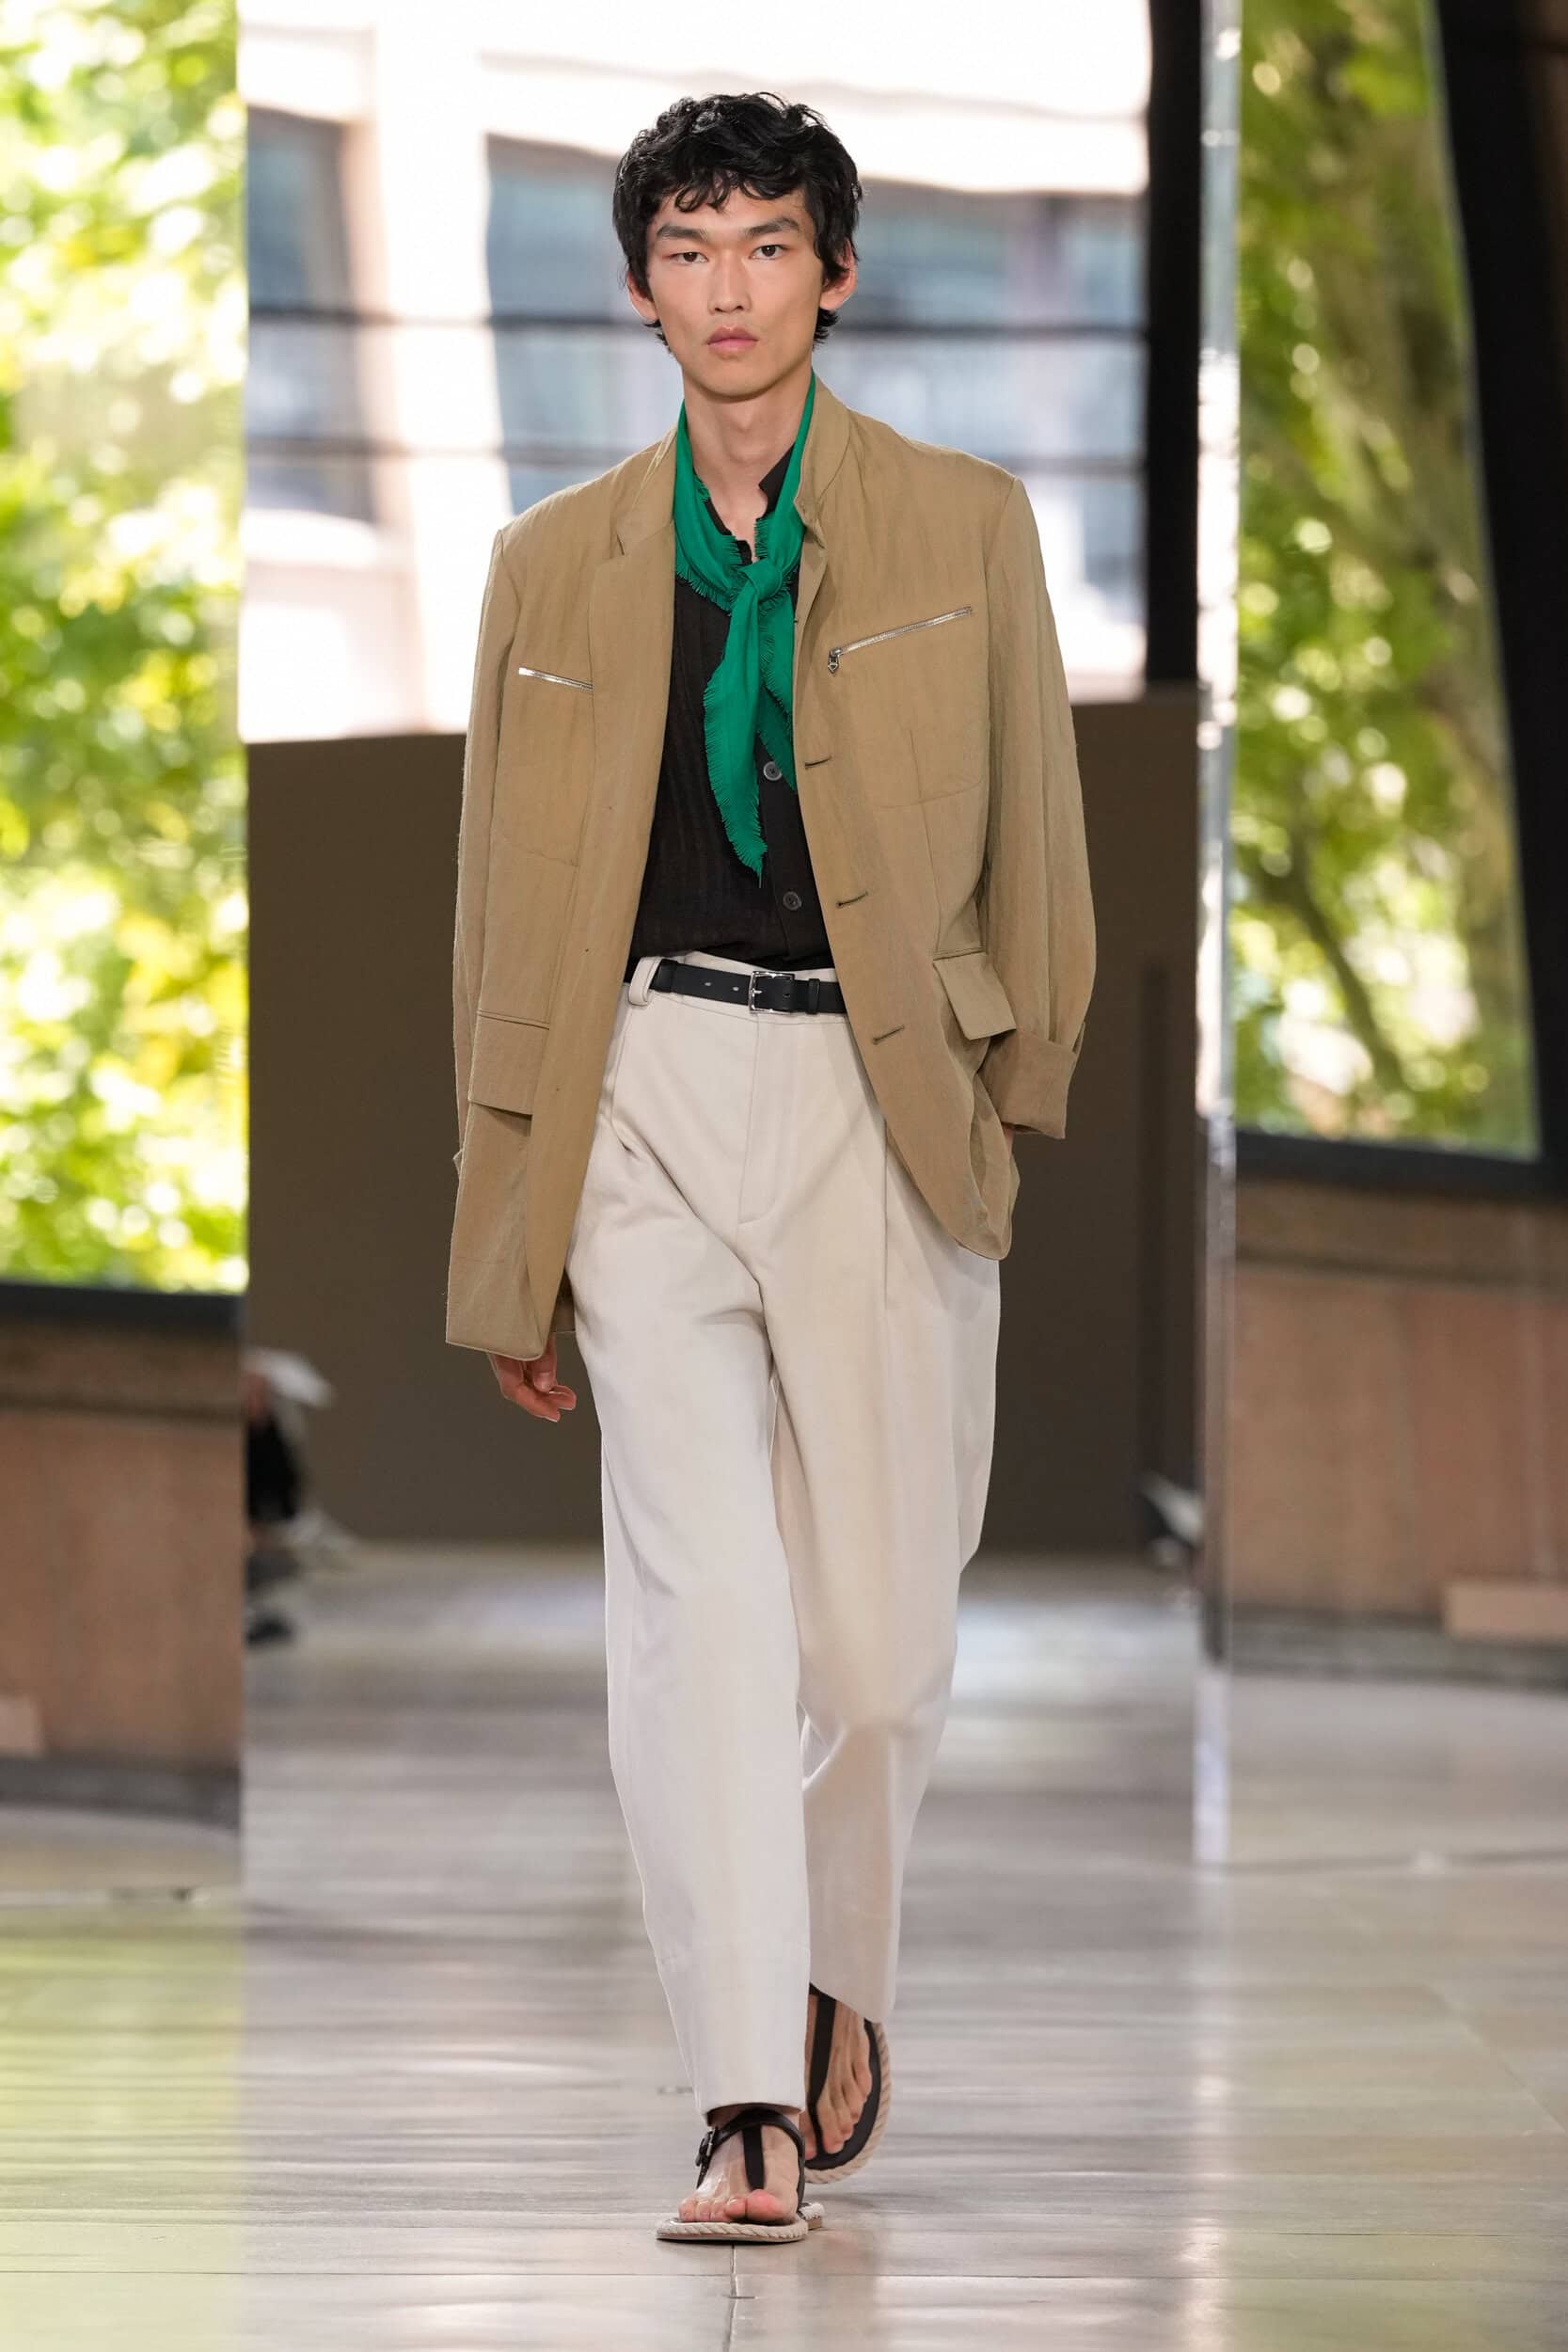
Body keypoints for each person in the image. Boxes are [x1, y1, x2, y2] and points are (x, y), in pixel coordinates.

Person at [446, 89, 1095, 2244]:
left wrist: (1013, 1094)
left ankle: (832, 1975)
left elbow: (1040, 834)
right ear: (641, 288)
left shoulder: (963, 527)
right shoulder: (550, 562)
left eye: (766, 244)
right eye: (688, 248)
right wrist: (508, 1229)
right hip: (640, 1089)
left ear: (835, 272)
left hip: (880, 1098)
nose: (727, 287)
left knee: (882, 1656)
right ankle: (742, 2093)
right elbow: (496, 911)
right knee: (701, 1616)